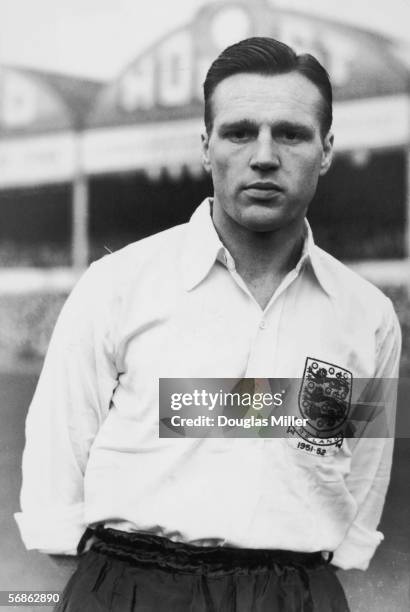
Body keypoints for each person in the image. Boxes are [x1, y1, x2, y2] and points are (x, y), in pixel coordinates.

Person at [15, 37, 401, 611]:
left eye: (291, 133)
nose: (264, 155)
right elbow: (54, 476)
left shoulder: (368, 315)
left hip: (295, 593)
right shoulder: (118, 284)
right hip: (133, 586)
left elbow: (362, 485)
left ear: (325, 150)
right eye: (240, 131)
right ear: (206, 147)